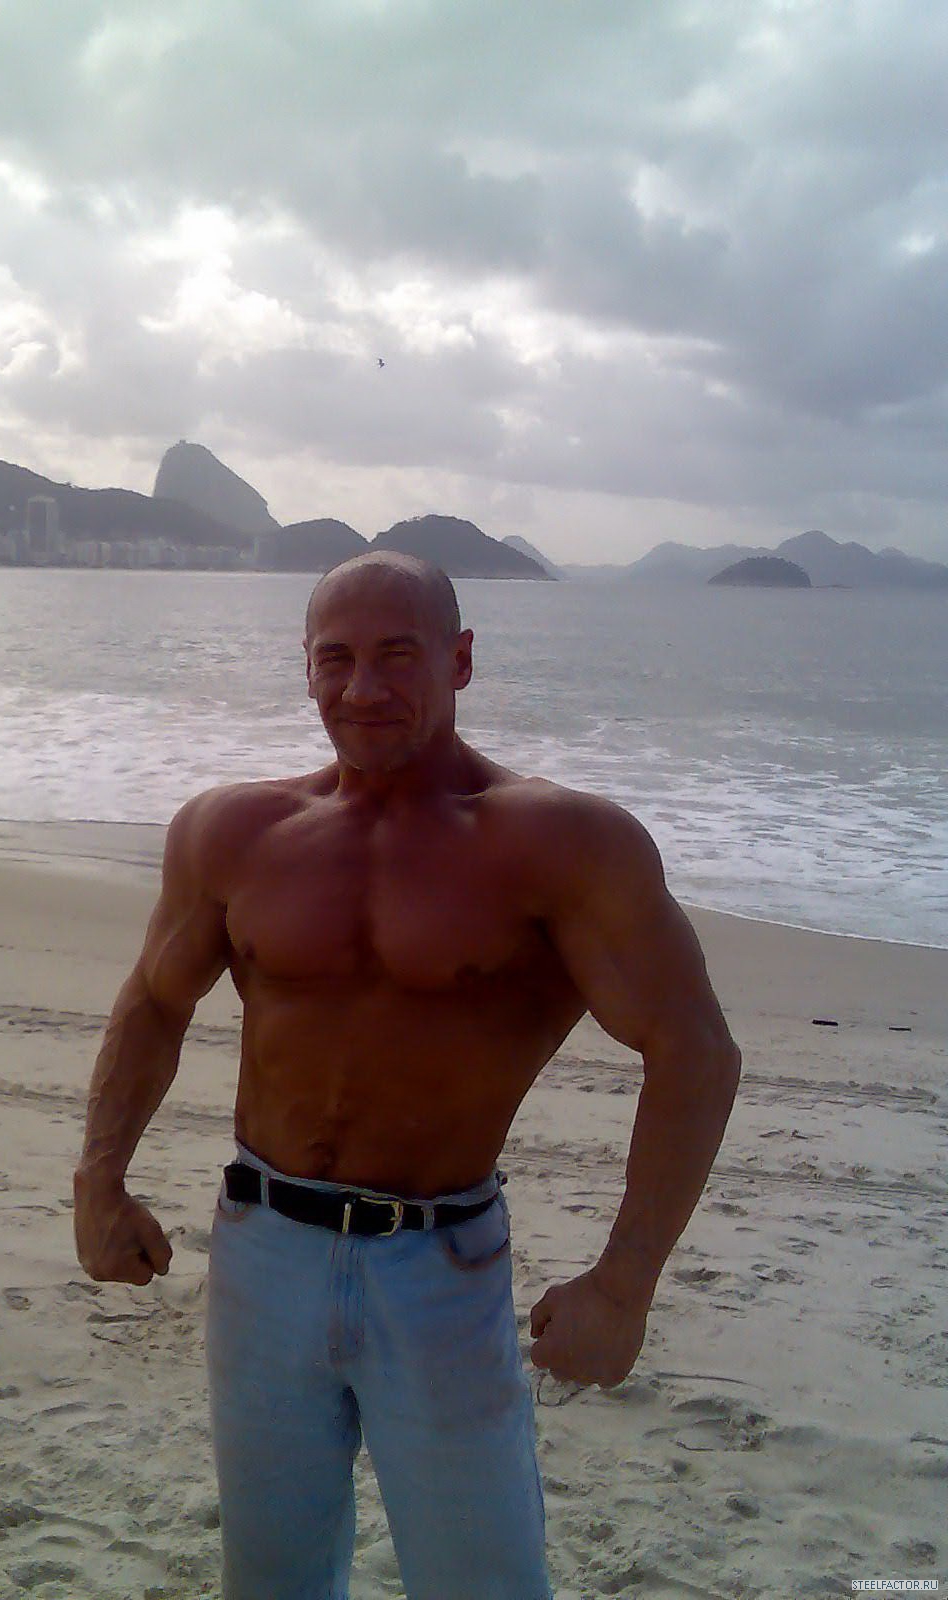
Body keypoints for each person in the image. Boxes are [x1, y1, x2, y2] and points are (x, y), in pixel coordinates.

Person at [73, 551, 740, 1600]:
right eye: (335, 658)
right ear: (305, 667)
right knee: (272, 1576)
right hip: (263, 1250)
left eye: (397, 655)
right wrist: (99, 1180)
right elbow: (155, 1000)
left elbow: (694, 1048)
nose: (363, 687)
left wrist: (625, 1283)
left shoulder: (560, 845)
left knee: (484, 1580)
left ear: (460, 659)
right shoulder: (235, 832)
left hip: (440, 1267)